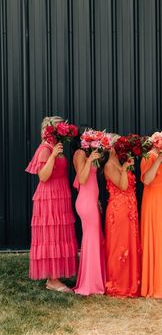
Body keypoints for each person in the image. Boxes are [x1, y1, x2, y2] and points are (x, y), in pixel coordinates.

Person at [25, 116, 78, 292]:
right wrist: (53, 155)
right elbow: (43, 176)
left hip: (59, 194)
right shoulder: (45, 149)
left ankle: (55, 275)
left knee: (59, 235)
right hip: (49, 197)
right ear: (50, 130)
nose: (62, 130)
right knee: (51, 236)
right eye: (59, 128)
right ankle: (52, 280)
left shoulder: (56, 147)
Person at [104, 145, 141, 297]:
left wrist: (125, 167)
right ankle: (118, 284)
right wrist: (125, 169)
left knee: (130, 245)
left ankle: (130, 282)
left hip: (129, 209)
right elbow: (123, 185)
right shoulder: (109, 166)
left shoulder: (119, 163)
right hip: (118, 210)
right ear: (110, 149)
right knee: (119, 247)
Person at [73, 142, 106, 295]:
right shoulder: (80, 154)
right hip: (86, 203)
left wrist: (97, 200)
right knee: (91, 242)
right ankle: (89, 284)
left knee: (94, 241)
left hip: (92, 201)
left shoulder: (86, 155)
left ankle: (95, 280)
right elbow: (82, 179)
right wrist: (90, 159)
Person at [140, 149, 162, 298]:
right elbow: (147, 180)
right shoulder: (149, 156)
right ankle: (155, 284)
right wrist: (158, 160)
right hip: (154, 201)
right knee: (156, 237)